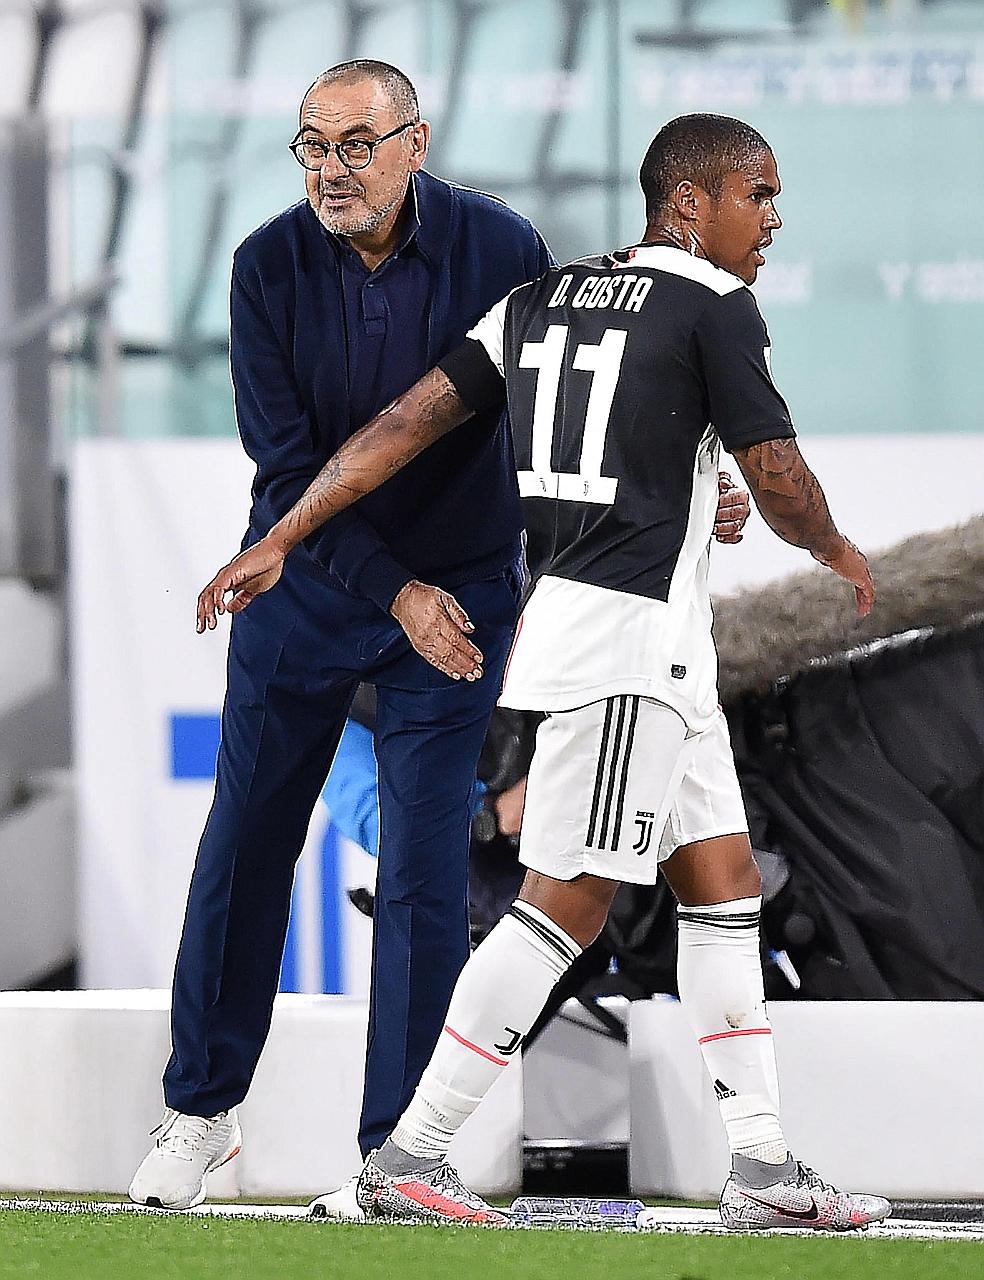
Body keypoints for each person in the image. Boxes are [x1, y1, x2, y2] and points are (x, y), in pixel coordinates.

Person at [196, 114, 892, 1232]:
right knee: (562, 906)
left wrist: (287, 528)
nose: (772, 217)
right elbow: (778, 477)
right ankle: (409, 1152)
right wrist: (837, 547)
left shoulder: (544, 296)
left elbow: (403, 424)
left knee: (723, 888)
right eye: (756, 194)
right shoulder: (714, 302)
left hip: (650, 648)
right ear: (689, 202)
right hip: (626, 650)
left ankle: (762, 1165)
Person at [128, 58, 554, 1212]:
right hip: (308, 591)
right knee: (243, 846)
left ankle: (398, 1152)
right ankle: (200, 1109)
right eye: (312, 146)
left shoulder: (503, 248)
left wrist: (678, 485)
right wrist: (394, 588)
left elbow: (557, 416)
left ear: (416, 142)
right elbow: (288, 474)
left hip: (457, 606)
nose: (331, 169)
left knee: (423, 867)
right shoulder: (263, 264)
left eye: (356, 145)